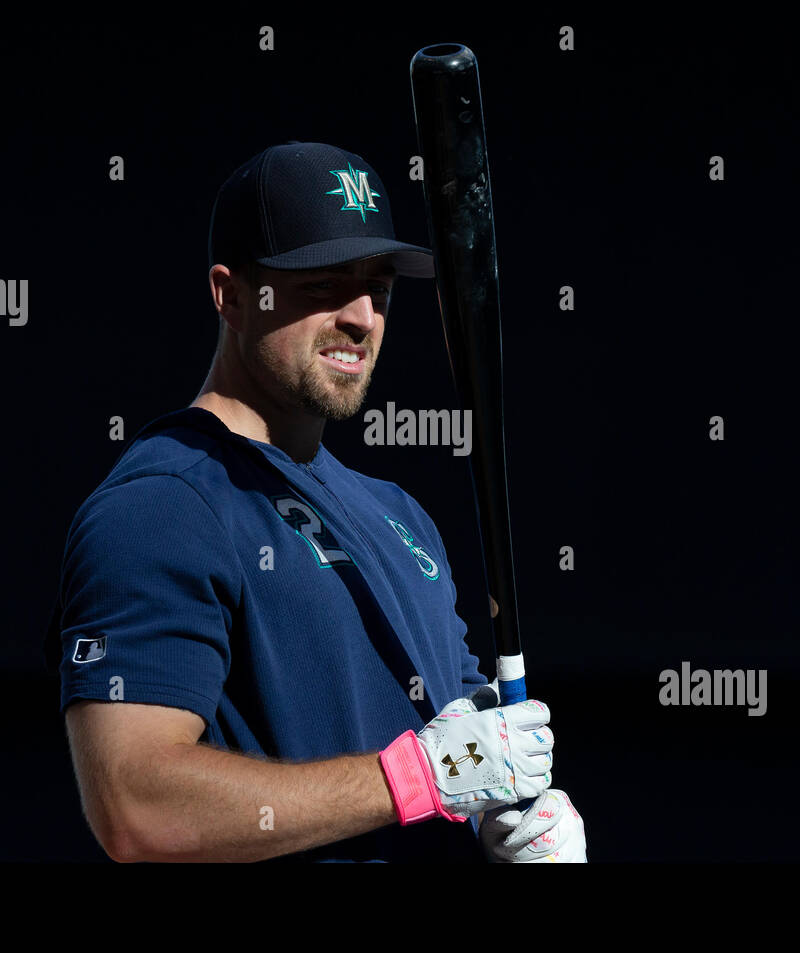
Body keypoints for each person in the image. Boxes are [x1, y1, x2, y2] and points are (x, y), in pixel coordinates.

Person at [45, 141, 585, 862]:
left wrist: (512, 820)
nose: (362, 316)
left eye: (379, 286)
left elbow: (466, 744)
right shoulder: (163, 505)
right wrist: (415, 776)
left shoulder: (400, 515)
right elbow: (133, 804)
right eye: (324, 283)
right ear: (229, 293)